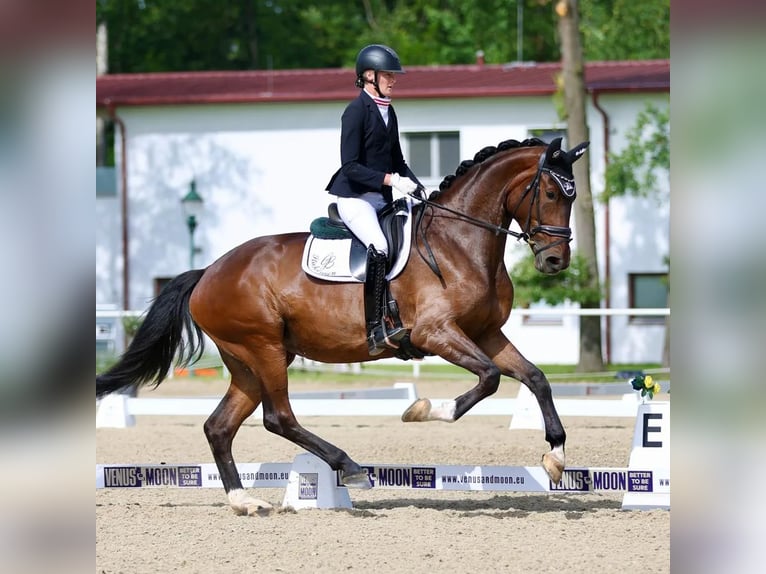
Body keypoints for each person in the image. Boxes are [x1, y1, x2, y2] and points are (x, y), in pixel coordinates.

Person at [325, 44, 423, 356]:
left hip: (382, 198)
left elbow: (397, 160)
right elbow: (350, 166)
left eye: (394, 75)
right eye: (388, 75)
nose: (394, 80)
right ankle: (375, 327)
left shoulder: (388, 110)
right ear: (369, 76)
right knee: (380, 247)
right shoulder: (355, 111)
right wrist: (390, 180)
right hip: (354, 199)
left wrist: (420, 189)